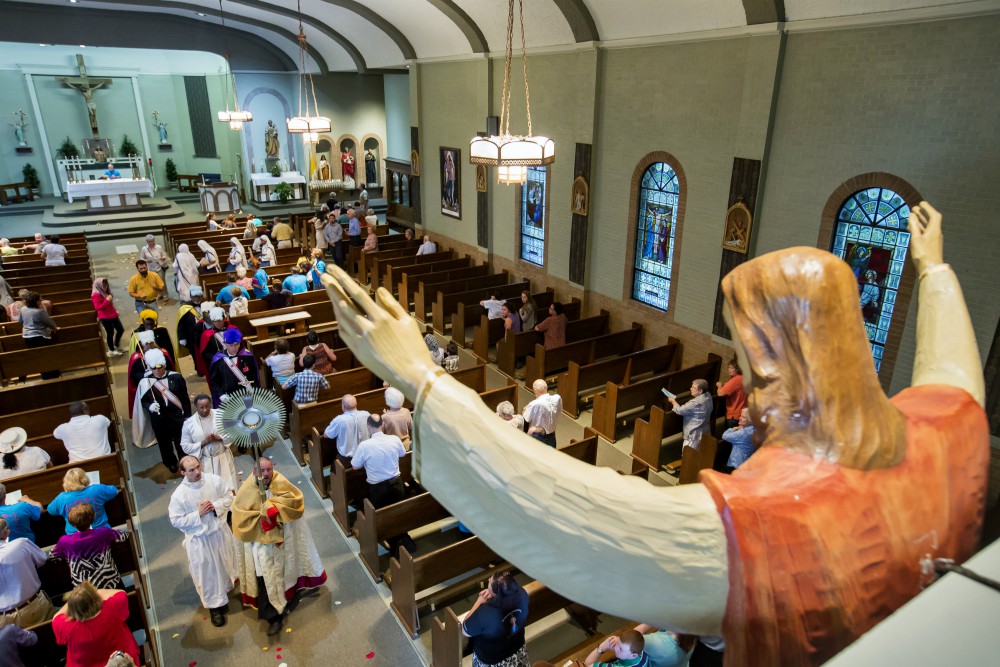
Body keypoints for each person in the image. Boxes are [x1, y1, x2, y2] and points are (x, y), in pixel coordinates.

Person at [318, 199, 990, 664]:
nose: (750, 400)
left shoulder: (777, 521)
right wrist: (932, 268)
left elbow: (578, 518)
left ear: (794, 366)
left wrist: (421, 378)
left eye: (757, 372)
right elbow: (955, 373)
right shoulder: (941, 436)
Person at [232, 458, 327, 636]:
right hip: (262, 543)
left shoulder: (280, 480)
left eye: (269, 469)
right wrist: (262, 515)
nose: (266, 474)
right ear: (254, 472)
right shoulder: (247, 489)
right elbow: (241, 516)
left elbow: (295, 501)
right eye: (262, 471)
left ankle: (287, 598)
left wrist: (273, 507)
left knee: (284, 571)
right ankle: (273, 616)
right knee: (267, 577)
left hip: (284, 539)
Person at [168, 455, 238, 627]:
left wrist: (215, 507)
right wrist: (197, 514)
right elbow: (176, 520)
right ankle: (215, 607)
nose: (198, 472)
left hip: (219, 533)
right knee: (208, 575)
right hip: (200, 540)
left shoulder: (213, 480)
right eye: (192, 470)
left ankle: (226, 591)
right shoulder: (179, 495)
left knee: (224, 564)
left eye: (198, 467)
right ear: (183, 472)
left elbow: (229, 496)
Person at [351, 413, 414, 553]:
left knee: (383, 517)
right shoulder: (394, 439)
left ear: (368, 427)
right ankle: (403, 539)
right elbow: (403, 453)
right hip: (397, 484)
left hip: (378, 488)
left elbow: (355, 466)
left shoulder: (364, 445)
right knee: (397, 512)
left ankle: (396, 545)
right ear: (383, 425)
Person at [52, 583, 140, 667]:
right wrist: (91, 593)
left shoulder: (67, 626)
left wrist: (75, 601)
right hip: (123, 662)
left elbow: (56, 617)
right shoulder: (112, 608)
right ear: (95, 597)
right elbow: (121, 593)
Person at [132, 348, 192, 473]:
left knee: (181, 439)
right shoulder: (146, 382)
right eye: (153, 368)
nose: (157, 370)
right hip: (159, 418)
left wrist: (188, 416)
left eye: (159, 367)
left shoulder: (176, 377)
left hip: (176, 415)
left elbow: (184, 398)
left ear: (164, 365)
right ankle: (170, 462)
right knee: (164, 443)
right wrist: (149, 406)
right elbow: (142, 400)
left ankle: (184, 459)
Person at [51, 503, 128, 589]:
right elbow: (123, 536)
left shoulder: (65, 541)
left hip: (85, 589)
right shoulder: (104, 533)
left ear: (72, 524)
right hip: (110, 581)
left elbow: (53, 555)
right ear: (93, 517)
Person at [461, 571, 529, 667]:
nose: (488, 580)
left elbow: (465, 629)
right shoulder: (522, 594)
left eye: (489, 581)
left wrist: (479, 601)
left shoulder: (485, 613)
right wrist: (494, 593)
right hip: (517, 648)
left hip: (492, 659)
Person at [0, 517, 52, 628]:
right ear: (6, 533)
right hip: (36, 605)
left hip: (5, 621)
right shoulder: (22, 544)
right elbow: (42, 559)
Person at [180, 396, 238, 489]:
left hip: (223, 456)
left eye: (207, 406)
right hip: (205, 461)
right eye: (201, 407)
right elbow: (185, 446)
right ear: (196, 407)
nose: (205, 410)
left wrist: (218, 438)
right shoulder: (189, 423)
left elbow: (234, 432)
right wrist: (204, 442)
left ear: (211, 404)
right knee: (211, 489)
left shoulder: (221, 414)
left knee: (229, 486)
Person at [47, 468, 119, 535]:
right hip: (102, 532)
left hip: (74, 537)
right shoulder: (96, 489)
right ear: (84, 479)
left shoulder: (62, 498)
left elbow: (51, 510)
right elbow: (114, 491)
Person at [208, 328, 259, 407]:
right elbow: (214, 381)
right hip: (228, 399)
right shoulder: (218, 359)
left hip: (247, 396)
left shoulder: (248, 357)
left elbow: (255, 376)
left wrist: (255, 390)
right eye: (230, 345)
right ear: (225, 345)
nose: (234, 348)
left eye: (236, 344)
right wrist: (221, 394)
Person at [19, 290, 61, 378]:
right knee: (47, 355)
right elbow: (50, 323)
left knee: (38, 356)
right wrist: (55, 328)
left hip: (26, 336)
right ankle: (52, 375)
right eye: (40, 300)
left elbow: (20, 321)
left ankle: (44, 375)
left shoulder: (23, 309)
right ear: (36, 301)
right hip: (39, 336)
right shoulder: (39, 311)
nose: (41, 301)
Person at [324, 394, 372, 465]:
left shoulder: (339, 420)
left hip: (347, 460)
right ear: (356, 404)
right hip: (366, 455)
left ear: (343, 406)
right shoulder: (367, 414)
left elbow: (326, 435)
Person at [667, 379, 713, 452]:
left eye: (694, 388)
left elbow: (680, 410)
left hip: (693, 435)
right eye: (691, 387)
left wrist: (673, 402)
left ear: (700, 391)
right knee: (699, 455)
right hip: (705, 431)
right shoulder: (708, 395)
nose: (691, 389)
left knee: (687, 456)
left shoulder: (695, 403)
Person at [196, 307, 239, 378]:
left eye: (220, 320)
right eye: (215, 320)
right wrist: (216, 359)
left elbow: (241, 346)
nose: (218, 323)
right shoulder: (207, 334)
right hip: (219, 365)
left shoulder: (233, 329)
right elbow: (205, 353)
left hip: (235, 361)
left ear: (224, 319)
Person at [89, 278, 125, 357]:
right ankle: (111, 350)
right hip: (105, 317)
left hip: (112, 314)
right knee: (110, 333)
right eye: (103, 285)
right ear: (99, 285)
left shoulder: (105, 291)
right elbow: (97, 307)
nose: (105, 287)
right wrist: (107, 300)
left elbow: (110, 304)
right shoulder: (96, 294)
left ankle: (116, 345)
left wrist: (114, 310)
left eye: (106, 285)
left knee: (120, 329)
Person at [522, 379, 562, 447]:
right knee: (551, 455)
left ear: (536, 391)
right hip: (552, 434)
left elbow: (526, 418)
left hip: (538, 436)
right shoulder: (557, 398)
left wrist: (524, 409)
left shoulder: (534, 404)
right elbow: (559, 410)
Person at [582, 629, 649, 667]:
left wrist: (602, 647)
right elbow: (633, 637)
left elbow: (586, 664)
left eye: (621, 649)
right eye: (617, 643)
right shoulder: (641, 652)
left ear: (633, 655)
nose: (616, 648)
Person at [719, 408, 755, 474]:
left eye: (743, 417)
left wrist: (733, 428)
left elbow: (724, 436)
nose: (740, 418)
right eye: (740, 416)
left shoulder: (743, 433)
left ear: (750, 420)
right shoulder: (754, 428)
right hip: (747, 461)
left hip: (736, 464)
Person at [176, 286, 205, 360]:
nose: (197, 299)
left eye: (199, 296)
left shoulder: (206, 305)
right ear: (191, 297)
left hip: (205, 334)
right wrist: (182, 337)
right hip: (191, 337)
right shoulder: (185, 308)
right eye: (195, 297)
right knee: (195, 356)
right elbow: (181, 324)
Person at [715, 361, 746, 430]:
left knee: (729, 437)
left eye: (731, 368)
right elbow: (730, 385)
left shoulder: (735, 380)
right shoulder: (744, 377)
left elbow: (720, 393)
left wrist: (719, 386)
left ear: (738, 369)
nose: (729, 369)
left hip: (734, 415)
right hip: (742, 413)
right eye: (729, 367)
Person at [139, 235, 171, 299]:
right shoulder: (144, 249)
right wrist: (146, 261)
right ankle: (159, 294)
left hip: (159, 266)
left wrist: (162, 258)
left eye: (152, 241)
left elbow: (165, 255)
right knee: (153, 282)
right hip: (150, 268)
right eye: (149, 241)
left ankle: (165, 294)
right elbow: (141, 258)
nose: (151, 243)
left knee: (161, 281)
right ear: (147, 241)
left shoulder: (159, 247)